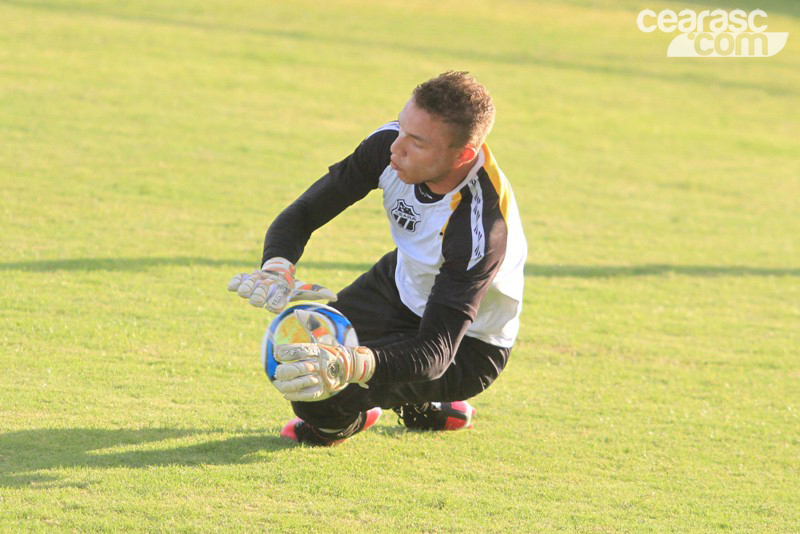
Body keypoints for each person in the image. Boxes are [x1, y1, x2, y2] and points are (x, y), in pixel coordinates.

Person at [228, 71, 526, 446]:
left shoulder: (479, 226)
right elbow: (302, 214)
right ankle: (422, 401)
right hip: (400, 284)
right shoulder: (389, 145)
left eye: (416, 142)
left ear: (462, 155)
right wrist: (277, 267)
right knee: (298, 350)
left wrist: (353, 364)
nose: (396, 148)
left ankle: (360, 417)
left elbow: (435, 350)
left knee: (321, 390)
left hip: (467, 346)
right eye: (402, 127)